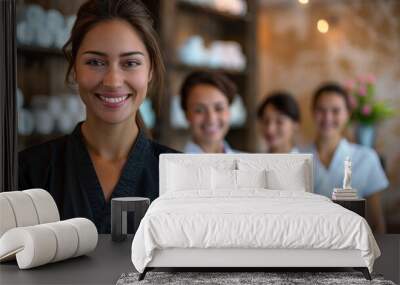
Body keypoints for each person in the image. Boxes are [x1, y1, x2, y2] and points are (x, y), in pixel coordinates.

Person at [18, 0, 177, 233]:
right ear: (74, 69)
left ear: (150, 71)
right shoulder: (29, 172)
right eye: (95, 62)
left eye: (130, 63)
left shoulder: (180, 177)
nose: (113, 81)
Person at [308, 82, 389, 233]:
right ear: (312, 112)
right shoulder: (297, 157)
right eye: (321, 110)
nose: (327, 117)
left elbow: (377, 223)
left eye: (335, 110)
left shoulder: (366, 158)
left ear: (348, 114)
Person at [180, 71, 239, 153]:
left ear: (229, 111)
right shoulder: (170, 164)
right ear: (186, 114)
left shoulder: (248, 163)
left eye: (219, 108)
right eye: (199, 110)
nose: (211, 119)